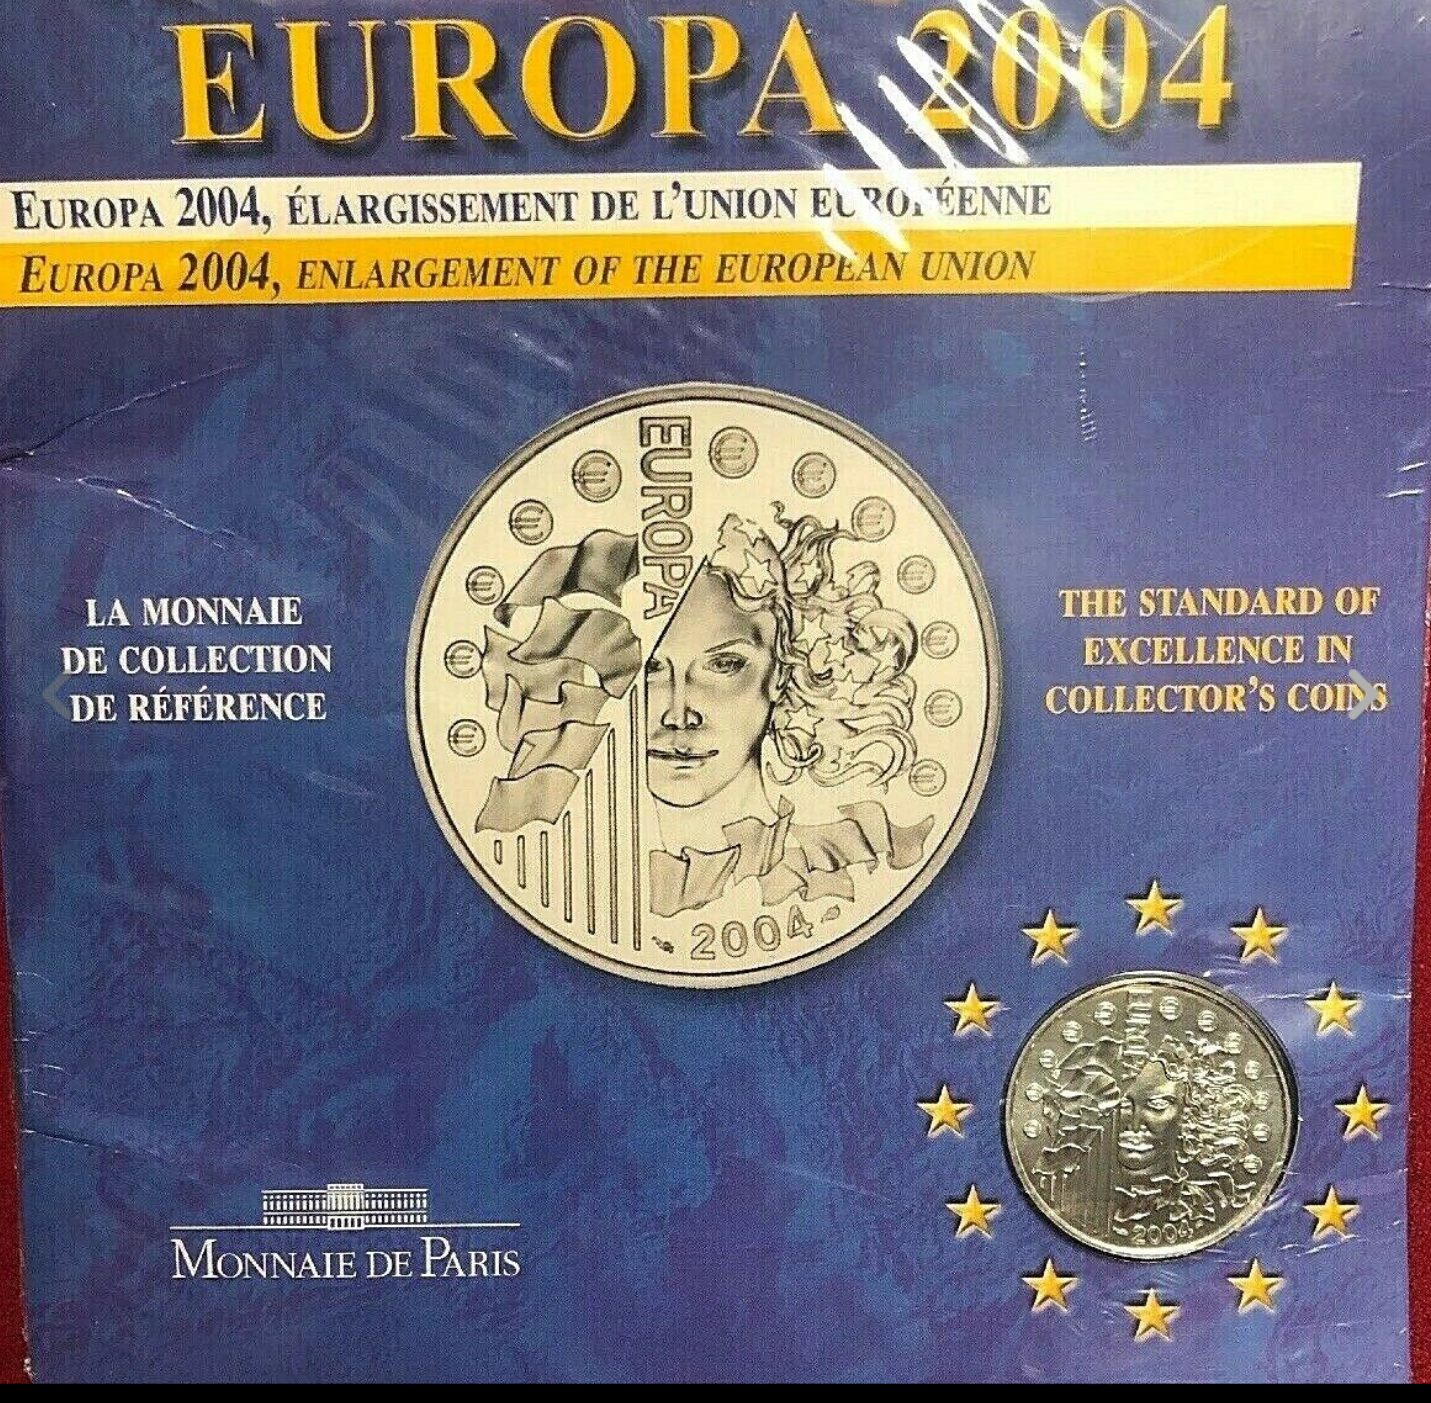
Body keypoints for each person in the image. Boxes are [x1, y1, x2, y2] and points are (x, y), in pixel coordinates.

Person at [644, 507, 932, 916]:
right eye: (651, 669)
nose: (678, 714)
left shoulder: (843, 862)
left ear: (779, 675)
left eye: (724, 664)